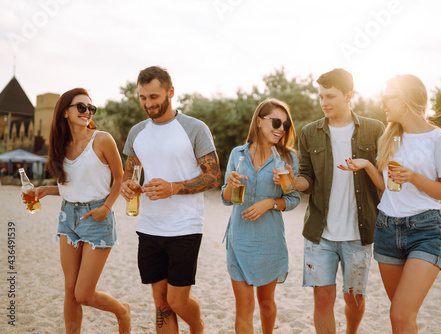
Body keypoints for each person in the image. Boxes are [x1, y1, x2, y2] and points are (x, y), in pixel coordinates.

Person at [339, 74, 441, 333]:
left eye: (387, 97)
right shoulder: (389, 138)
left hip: (425, 232)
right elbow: (388, 189)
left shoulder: (439, 140)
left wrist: (414, 177)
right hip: (386, 230)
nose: (382, 102)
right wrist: (368, 165)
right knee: (401, 316)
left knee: (401, 314)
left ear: (405, 101)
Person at [275, 69, 385, 333]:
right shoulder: (309, 132)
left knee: (354, 299)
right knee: (322, 299)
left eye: (330, 96)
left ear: (349, 96)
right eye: (321, 96)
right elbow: (307, 180)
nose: (324, 102)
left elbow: (384, 179)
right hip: (319, 233)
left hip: (359, 232)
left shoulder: (374, 129)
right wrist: (291, 181)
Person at [121, 66, 221, 334]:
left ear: (170, 92)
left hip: (185, 227)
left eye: (153, 96)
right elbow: (128, 174)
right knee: (161, 303)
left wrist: (173, 188)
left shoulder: (195, 128)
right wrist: (127, 186)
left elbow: (213, 176)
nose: (148, 103)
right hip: (148, 226)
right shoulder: (137, 132)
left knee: (177, 301)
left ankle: (197, 326)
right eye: (143, 97)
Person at [31, 88, 131, 333]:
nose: (87, 112)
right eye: (81, 107)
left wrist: (106, 208)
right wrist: (48, 189)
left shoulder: (102, 139)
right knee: (69, 290)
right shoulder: (61, 146)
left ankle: (122, 311)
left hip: (97, 217)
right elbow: (73, 187)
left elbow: (119, 179)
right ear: (65, 112)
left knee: (83, 293)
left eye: (90, 108)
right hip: (67, 218)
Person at [221, 98, 301, 333]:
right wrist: (230, 183)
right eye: (276, 122)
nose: (280, 129)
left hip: (270, 240)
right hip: (239, 238)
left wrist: (270, 203)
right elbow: (226, 198)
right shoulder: (238, 154)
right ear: (258, 121)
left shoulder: (289, 159)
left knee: (266, 304)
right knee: (244, 306)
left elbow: (294, 199)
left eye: (285, 125)